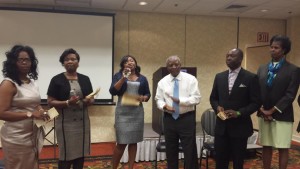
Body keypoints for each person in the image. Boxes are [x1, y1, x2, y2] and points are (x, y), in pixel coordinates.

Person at [210, 48, 261, 169]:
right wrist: (217, 107)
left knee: (238, 162)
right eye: (227, 56)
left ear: (240, 59)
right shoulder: (219, 77)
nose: (228, 58)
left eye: (232, 56)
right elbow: (213, 98)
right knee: (220, 161)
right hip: (222, 127)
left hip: (240, 127)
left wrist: (238, 113)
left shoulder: (250, 77)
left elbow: (256, 102)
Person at [0, 45, 49, 169]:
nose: (24, 62)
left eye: (27, 59)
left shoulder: (32, 82)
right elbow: (1, 113)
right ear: (13, 62)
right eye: (19, 59)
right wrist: (30, 114)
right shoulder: (8, 84)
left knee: (32, 165)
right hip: (15, 136)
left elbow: (35, 104)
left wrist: (41, 111)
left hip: (33, 133)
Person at [257, 35, 300, 169]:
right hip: (264, 113)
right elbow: (256, 91)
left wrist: (272, 110)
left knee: (282, 147)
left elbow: (290, 95)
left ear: (284, 50)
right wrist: (262, 109)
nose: (272, 50)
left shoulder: (293, 70)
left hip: (283, 114)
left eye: (276, 47)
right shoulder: (262, 68)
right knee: (266, 145)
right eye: (271, 47)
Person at [47, 48, 94, 169]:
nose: (70, 61)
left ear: (78, 62)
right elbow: (50, 102)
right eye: (66, 59)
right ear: (63, 63)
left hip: (83, 123)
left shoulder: (85, 79)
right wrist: (68, 103)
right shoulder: (56, 79)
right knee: (66, 156)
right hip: (65, 123)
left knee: (81, 155)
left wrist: (88, 101)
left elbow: (91, 99)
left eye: (73, 59)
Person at [155, 55, 200, 169]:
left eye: (177, 64)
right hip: (169, 119)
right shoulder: (162, 82)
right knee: (171, 149)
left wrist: (181, 101)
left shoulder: (191, 79)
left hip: (187, 118)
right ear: (167, 67)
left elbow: (197, 98)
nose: (174, 67)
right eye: (171, 65)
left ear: (181, 65)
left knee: (189, 150)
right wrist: (164, 106)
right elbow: (158, 99)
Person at [109, 55, 151, 169]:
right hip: (122, 113)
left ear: (135, 63)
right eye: (126, 61)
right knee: (121, 143)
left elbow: (148, 94)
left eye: (132, 60)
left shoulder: (142, 78)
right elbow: (113, 91)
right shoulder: (118, 76)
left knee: (133, 142)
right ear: (123, 65)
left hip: (137, 112)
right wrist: (123, 77)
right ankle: (114, 167)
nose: (130, 62)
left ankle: (131, 167)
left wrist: (144, 98)